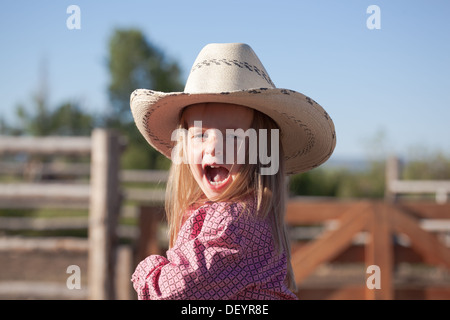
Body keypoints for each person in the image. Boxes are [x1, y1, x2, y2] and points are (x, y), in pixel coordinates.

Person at [129, 43, 336, 300]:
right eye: (201, 134)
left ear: (262, 150)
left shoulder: (234, 224)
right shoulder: (243, 214)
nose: (214, 148)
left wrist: (147, 269)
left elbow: (170, 292)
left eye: (232, 135)